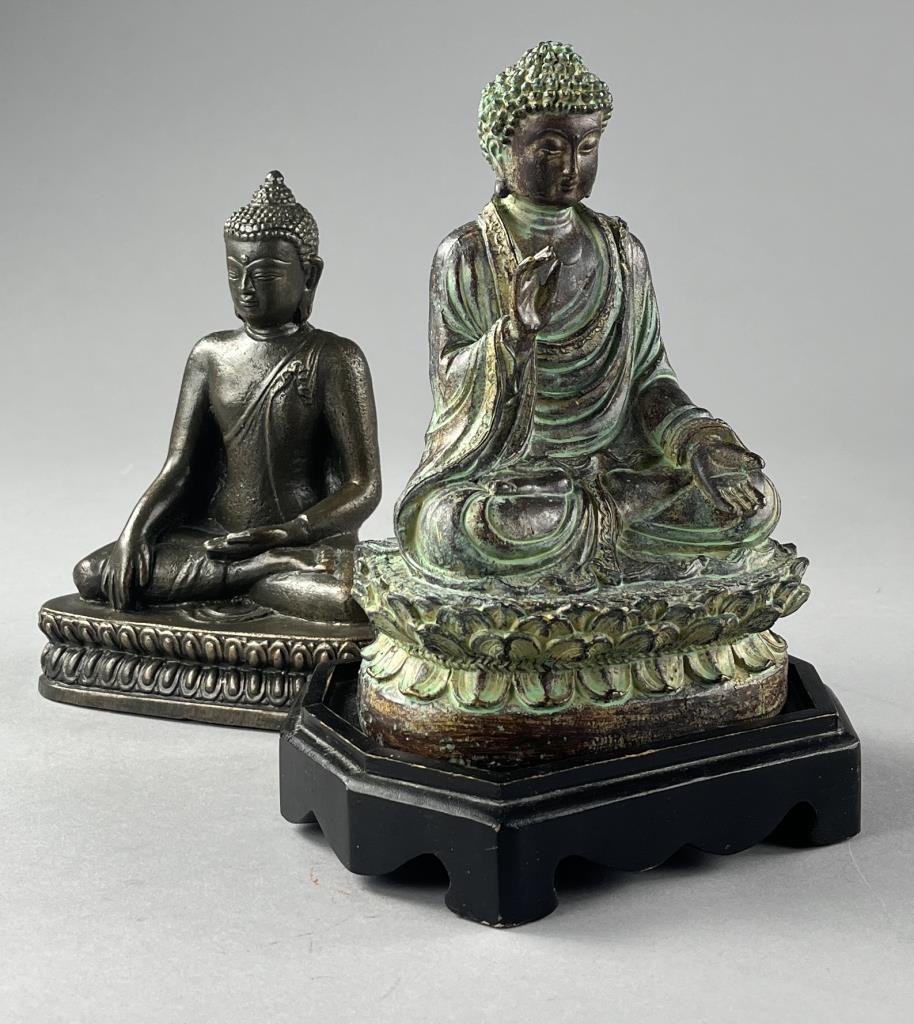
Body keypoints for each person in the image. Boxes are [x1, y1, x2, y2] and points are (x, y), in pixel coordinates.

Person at [395, 42, 778, 587]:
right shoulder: (468, 254)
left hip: (619, 471)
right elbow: (451, 389)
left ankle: (601, 529)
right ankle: (619, 536)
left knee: (756, 501)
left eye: (588, 146)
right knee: (452, 531)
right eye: (550, 148)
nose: (571, 167)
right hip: (518, 481)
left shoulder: (622, 252)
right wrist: (514, 334)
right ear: (502, 151)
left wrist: (702, 444)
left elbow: (650, 379)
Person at [74, 171, 381, 622]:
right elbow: (179, 467)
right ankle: (256, 573)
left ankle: (262, 568)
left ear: (310, 275)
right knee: (92, 574)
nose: (246, 288)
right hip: (212, 537)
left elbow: (363, 485)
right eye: (235, 273)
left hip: (300, 538)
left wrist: (287, 532)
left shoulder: (335, 358)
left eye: (265, 274)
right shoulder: (210, 355)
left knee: (346, 601)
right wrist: (134, 531)